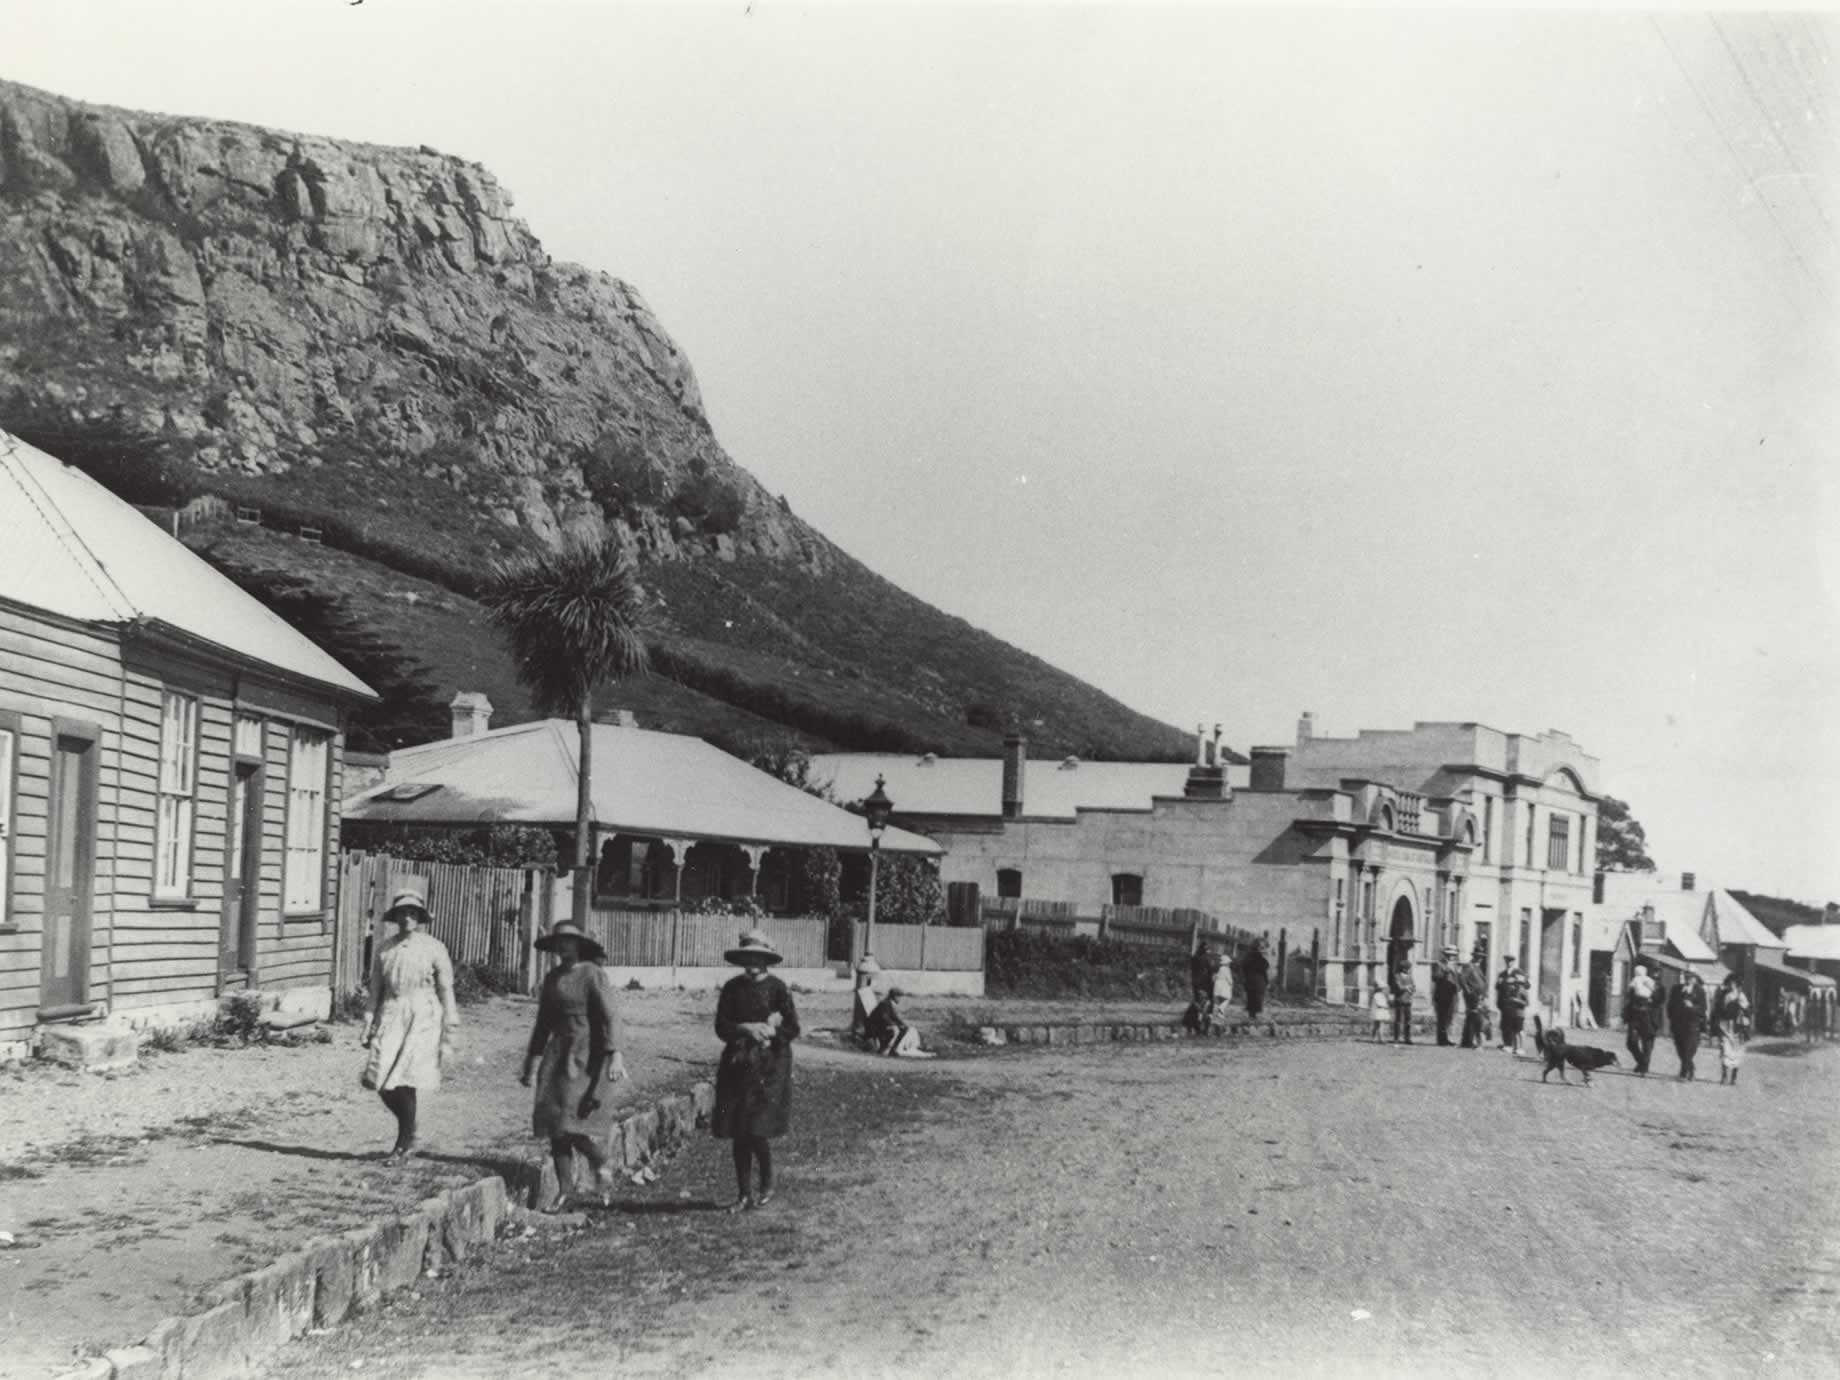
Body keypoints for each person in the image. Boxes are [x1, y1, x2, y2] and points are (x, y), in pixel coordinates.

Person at [521, 920, 628, 1211]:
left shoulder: (593, 975)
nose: (563, 947)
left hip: (585, 1052)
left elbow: (611, 1016)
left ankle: (598, 1158)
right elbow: (543, 1023)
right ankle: (565, 1191)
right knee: (554, 1124)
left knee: (569, 1120)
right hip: (558, 1052)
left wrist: (615, 1053)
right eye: (559, 942)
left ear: (579, 945)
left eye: (568, 941)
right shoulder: (552, 977)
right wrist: (531, 1061)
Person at [361, 876, 459, 1166]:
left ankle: (403, 1145)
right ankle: (410, 1129)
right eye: (402, 913)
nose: (407, 918)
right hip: (392, 1011)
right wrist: (368, 1022)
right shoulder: (385, 948)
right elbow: (375, 990)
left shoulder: (434, 947)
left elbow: (445, 989)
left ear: (420, 917)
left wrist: (450, 1025)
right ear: (395, 917)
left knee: (406, 1079)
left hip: (423, 1014)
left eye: (412, 913)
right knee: (380, 1080)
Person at [712, 929, 802, 1211]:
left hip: (769, 1066)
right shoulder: (732, 988)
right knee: (739, 1130)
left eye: (757, 956)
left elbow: (793, 1028)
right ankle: (743, 1194)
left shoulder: (777, 988)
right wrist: (744, 1027)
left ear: (766, 960)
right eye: (747, 955)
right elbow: (721, 1026)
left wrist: (773, 1030)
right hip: (738, 1064)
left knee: (756, 1128)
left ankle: (766, 1181)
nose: (752, 961)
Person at [865, 986, 935, 1058]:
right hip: (874, 1028)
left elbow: (895, 1018)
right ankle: (887, 1050)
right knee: (895, 1030)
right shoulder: (885, 1004)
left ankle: (893, 1048)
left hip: (879, 1027)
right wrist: (895, 1025)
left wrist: (903, 1025)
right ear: (894, 996)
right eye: (899, 997)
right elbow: (884, 1017)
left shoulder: (889, 1003)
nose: (900, 999)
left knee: (903, 1029)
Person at [1710, 974, 1751, 1087]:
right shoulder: (1723, 994)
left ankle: (1734, 1076)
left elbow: (1747, 1011)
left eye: (1734, 983)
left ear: (1737, 984)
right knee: (1724, 1050)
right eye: (1730, 983)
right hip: (1725, 1025)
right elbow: (1717, 1010)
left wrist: (1743, 1013)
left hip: (1737, 1027)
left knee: (1736, 1053)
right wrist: (1716, 1023)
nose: (1731, 985)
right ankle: (1724, 1076)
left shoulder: (1741, 995)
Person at [1666, 971, 1708, 1081]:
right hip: (1678, 1024)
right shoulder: (1676, 989)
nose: (1687, 979)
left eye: (1690, 977)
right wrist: (1672, 1019)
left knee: (1689, 1049)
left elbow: (1703, 1009)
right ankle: (1690, 1068)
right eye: (1686, 977)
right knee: (1680, 1049)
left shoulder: (1700, 991)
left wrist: (1692, 1007)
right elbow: (1670, 1005)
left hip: (1692, 1024)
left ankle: (1685, 1071)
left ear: (1695, 979)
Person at [1622, 962, 1659, 1077]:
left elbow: (1659, 1000)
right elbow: (1629, 999)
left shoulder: (1652, 983)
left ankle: (1644, 1067)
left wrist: (1651, 997)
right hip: (1635, 1015)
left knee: (1647, 1042)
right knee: (1631, 1042)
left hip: (1648, 1015)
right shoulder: (1634, 983)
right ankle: (1642, 1062)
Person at [1495, 957, 1530, 1054]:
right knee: (1505, 1025)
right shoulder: (1502, 974)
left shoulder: (1519, 972)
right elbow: (1498, 987)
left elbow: (1526, 985)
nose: (1508, 963)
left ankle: (1515, 1046)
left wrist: (1518, 996)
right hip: (1504, 1003)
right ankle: (1507, 1044)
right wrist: (1499, 1002)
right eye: (1507, 961)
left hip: (1515, 1006)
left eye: (1510, 961)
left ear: (1513, 962)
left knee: (1516, 1027)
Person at [1431, 945, 1462, 1046]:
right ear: (1445, 955)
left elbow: (1457, 978)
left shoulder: (1455, 965)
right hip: (1442, 993)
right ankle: (1441, 1039)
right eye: (1449, 955)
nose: (1451, 957)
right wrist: (1445, 971)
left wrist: (1458, 985)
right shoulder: (1439, 964)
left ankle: (1446, 1037)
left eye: (1453, 955)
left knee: (1449, 1016)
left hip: (1452, 993)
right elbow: (1435, 977)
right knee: (1442, 1017)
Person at [1458, 947, 1488, 1050]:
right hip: (1472, 996)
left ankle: (1467, 1040)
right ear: (1474, 956)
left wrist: (1484, 993)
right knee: (1473, 1016)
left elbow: (1482, 982)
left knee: (1472, 1017)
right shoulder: (1469, 966)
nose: (1480, 959)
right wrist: (1468, 991)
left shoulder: (1477, 967)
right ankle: (1468, 1041)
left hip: (1478, 996)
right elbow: (1462, 978)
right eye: (1478, 957)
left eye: (1481, 957)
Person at [1240, 938, 1271, 1021]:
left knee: (1251, 999)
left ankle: (1252, 1016)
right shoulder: (1259, 957)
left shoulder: (1248, 956)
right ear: (1258, 947)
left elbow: (1243, 967)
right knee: (1257, 999)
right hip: (1258, 981)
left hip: (1249, 981)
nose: (1263, 949)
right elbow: (1265, 966)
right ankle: (1254, 1017)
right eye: (1261, 947)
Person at [1389, 962, 1416, 1044]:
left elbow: (1414, 987)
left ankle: (1407, 1038)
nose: (1408, 970)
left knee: (1408, 1020)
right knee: (1398, 1020)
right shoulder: (1397, 976)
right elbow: (1399, 987)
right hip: (1399, 1000)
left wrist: (1410, 989)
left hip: (1408, 1000)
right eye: (1407, 968)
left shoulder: (1410, 977)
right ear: (1403, 968)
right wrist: (1408, 987)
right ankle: (1396, 1038)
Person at [1369, 977, 1390, 1043]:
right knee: (1379, 1025)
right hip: (1379, 1011)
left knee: (1378, 1025)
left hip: (1381, 1011)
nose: (1384, 990)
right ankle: (1379, 1038)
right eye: (1382, 989)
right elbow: (1379, 1004)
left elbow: (1384, 1003)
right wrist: (1385, 1006)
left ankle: (1375, 1038)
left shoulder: (1382, 995)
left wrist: (1386, 1005)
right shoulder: (1377, 995)